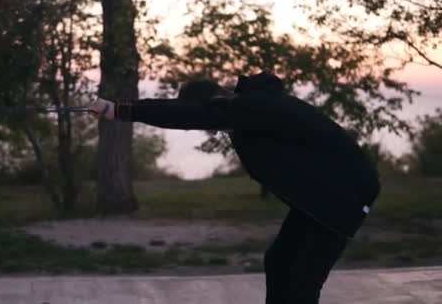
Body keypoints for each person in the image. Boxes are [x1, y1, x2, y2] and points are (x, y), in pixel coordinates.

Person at [88, 72, 380, 304]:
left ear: (213, 104)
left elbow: (184, 114)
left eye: (205, 120)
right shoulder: (247, 116)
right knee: (279, 261)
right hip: (321, 195)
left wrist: (119, 111)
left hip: (345, 195)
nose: (207, 129)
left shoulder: (248, 108)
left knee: (303, 279)